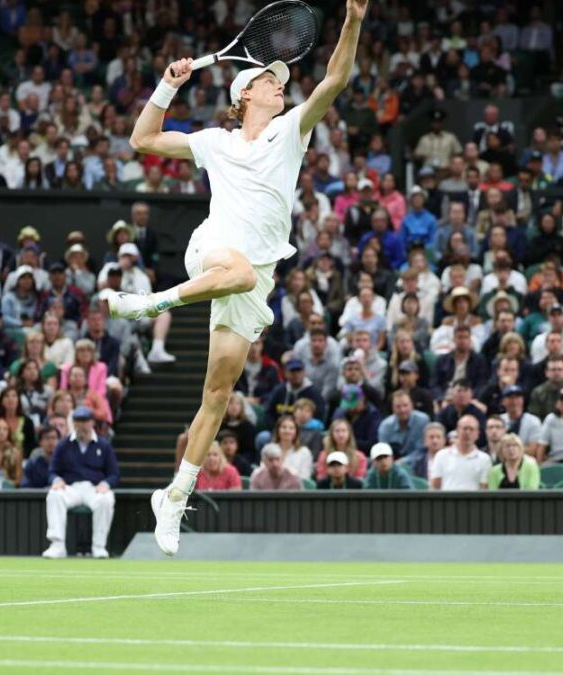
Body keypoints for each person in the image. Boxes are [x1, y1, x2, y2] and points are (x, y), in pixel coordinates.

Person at [111, 0, 368, 555]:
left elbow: (337, 77)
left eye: (282, 81)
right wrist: (166, 86)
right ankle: (151, 304)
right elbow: (143, 141)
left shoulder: (292, 131)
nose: (282, 86)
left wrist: (353, 20)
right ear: (244, 94)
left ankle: (175, 494)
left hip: (255, 277)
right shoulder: (215, 142)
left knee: (218, 392)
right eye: (271, 81)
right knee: (239, 270)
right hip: (213, 253)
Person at [43, 407, 119, 559]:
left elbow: (114, 474)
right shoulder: (64, 444)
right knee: (54, 495)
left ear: (92, 423)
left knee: (106, 499)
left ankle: (99, 546)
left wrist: (106, 484)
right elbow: (52, 471)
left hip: (94, 489)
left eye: (85, 421)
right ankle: (57, 545)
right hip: (71, 488)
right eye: (78, 421)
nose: (81, 426)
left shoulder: (103, 445)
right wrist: (56, 480)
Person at [430, 415, 491, 490]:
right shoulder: (441, 455)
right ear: (457, 431)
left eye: (471, 429)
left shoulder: (485, 459)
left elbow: (484, 488)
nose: (467, 432)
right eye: (465, 429)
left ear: (477, 434)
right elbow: (435, 485)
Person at [376, 390, 430, 459]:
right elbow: (383, 452)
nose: (402, 410)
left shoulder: (423, 420)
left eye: (405, 405)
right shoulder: (385, 426)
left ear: (411, 405)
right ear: (393, 408)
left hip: (418, 462)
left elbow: (422, 450)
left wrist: (404, 462)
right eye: (398, 407)